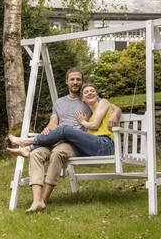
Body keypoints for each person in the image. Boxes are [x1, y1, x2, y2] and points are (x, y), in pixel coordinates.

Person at [8, 68, 121, 213]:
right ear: (67, 81)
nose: (75, 82)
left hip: (73, 143)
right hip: (53, 138)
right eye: (72, 79)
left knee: (58, 152)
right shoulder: (60, 102)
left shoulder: (88, 99)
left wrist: (116, 114)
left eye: (78, 79)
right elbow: (53, 123)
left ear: (82, 82)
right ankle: (36, 200)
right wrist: (48, 129)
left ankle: (44, 197)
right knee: (36, 154)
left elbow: (111, 107)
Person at [8, 83, 115, 157]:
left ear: (97, 95)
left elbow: (95, 125)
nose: (90, 93)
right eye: (86, 92)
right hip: (92, 148)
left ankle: (26, 141)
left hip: (104, 145)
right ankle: (28, 149)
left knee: (64, 129)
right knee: (63, 135)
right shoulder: (91, 114)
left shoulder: (103, 102)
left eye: (92, 91)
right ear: (82, 98)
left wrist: (83, 122)